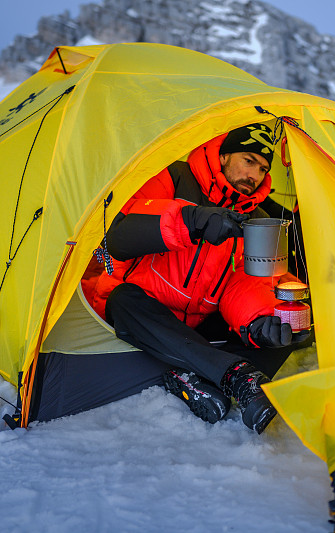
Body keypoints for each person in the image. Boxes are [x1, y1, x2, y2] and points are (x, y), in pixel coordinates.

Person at [87, 123, 307, 434]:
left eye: (262, 169)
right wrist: (193, 220)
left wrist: (259, 321)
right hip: (147, 310)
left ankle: (195, 377)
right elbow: (118, 236)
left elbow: (244, 283)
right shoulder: (175, 177)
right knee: (122, 300)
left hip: (199, 323)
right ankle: (236, 376)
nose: (254, 175)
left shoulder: (255, 218)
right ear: (223, 156)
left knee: (281, 328)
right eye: (248, 160)